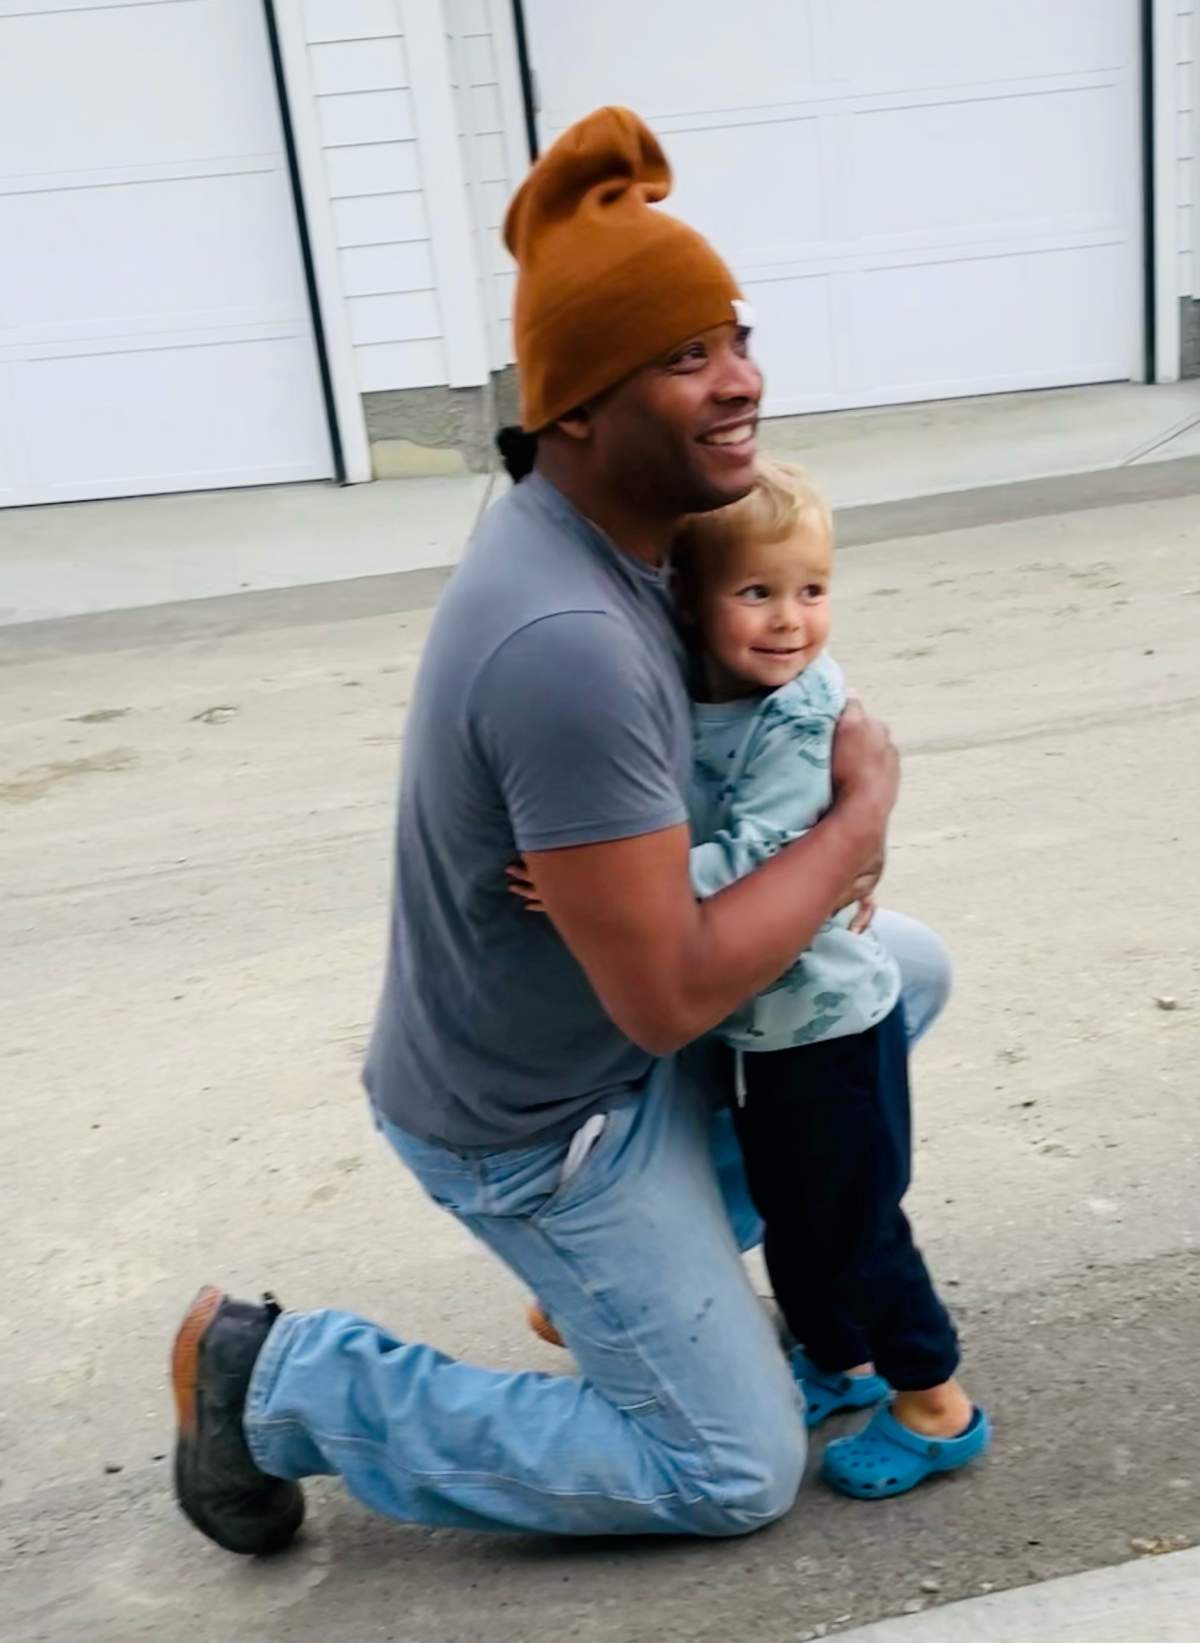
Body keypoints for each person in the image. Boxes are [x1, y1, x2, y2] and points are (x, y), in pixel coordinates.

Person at [169, 106, 951, 1554]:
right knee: (731, 1467)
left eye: (737, 339)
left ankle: (704, 1256)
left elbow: (748, 739)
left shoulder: (635, 548)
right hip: (545, 1123)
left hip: (621, 1046)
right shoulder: (566, 639)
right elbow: (671, 989)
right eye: (686, 356)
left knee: (899, 969)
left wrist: (816, 802)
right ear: (578, 405)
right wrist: (856, 820)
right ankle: (285, 1377)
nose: (742, 380)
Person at [677, 461, 989, 1496]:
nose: (789, 618)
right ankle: (836, 1359)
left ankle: (936, 1404)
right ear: (691, 600)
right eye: (756, 591)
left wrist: (617, 889)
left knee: (855, 1226)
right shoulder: (699, 690)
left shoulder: (803, 710)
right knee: (792, 1212)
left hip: (830, 1025)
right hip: (763, 1026)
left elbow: (769, 851)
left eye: (811, 589)